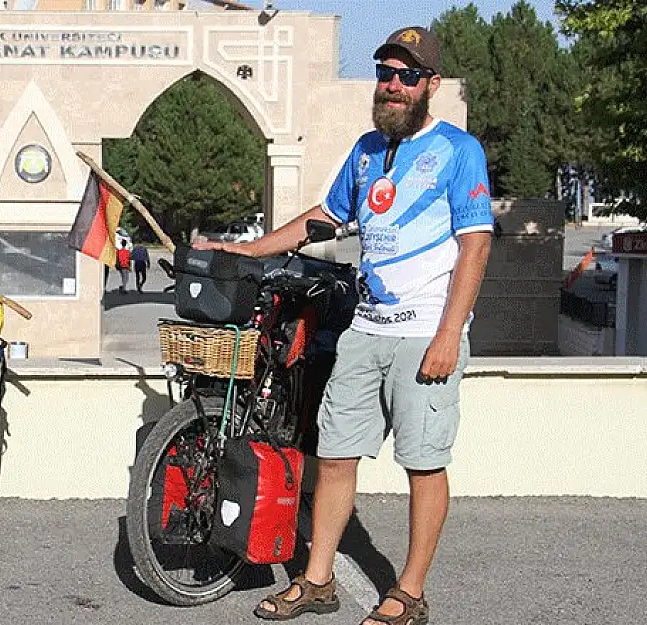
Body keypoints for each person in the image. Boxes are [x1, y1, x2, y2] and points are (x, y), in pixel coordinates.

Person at [195, 26, 493, 625]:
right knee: (334, 455)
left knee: (423, 462)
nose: (393, 85)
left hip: (424, 334)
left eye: (408, 76)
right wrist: (247, 250)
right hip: (367, 329)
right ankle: (318, 580)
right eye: (386, 72)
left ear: (430, 85)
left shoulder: (458, 151)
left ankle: (408, 592)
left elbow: (476, 246)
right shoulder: (363, 151)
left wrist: (446, 334)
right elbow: (320, 220)